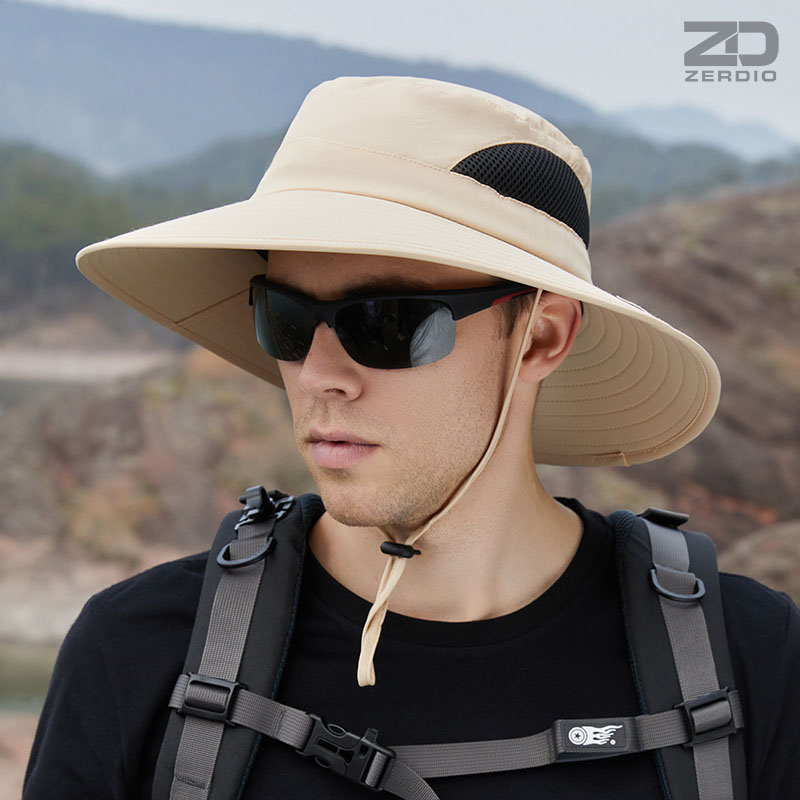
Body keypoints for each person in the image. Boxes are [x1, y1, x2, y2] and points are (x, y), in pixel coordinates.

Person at [23, 76, 800, 799]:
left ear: (540, 338)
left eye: (386, 322)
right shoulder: (141, 652)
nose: (318, 375)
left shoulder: (749, 662)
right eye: (285, 319)